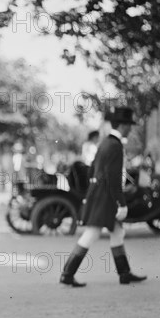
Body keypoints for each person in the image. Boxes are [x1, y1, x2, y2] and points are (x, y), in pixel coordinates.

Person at [60, 107, 147, 287]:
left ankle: (124, 274)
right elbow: (113, 178)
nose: (130, 129)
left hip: (99, 194)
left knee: (117, 232)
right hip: (106, 197)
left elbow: (92, 168)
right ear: (122, 126)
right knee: (91, 234)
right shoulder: (115, 145)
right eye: (128, 125)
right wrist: (121, 203)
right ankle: (67, 274)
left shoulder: (105, 143)